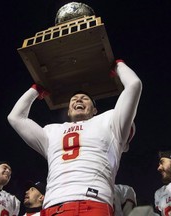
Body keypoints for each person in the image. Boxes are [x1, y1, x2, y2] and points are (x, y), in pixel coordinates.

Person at [7, 59, 142, 215]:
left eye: (85, 99)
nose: (78, 99)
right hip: (52, 206)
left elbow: (134, 85)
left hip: (92, 203)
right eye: (73, 99)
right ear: (69, 111)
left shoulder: (110, 121)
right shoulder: (51, 131)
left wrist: (117, 64)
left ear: (95, 110)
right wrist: (36, 90)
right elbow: (15, 118)